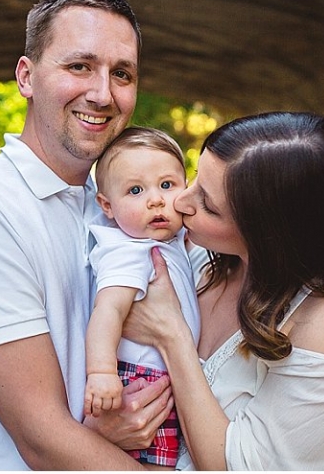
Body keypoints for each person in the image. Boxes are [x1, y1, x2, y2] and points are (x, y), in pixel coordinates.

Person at [0, 0, 172, 470]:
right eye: (79, 66)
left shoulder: (112, 207)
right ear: (26, 77)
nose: (102, 94)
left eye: (121, 74)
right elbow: (43, 439)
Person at [106, 111, 324, 470]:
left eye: (209, 206)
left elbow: (245, 467)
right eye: (195, 179)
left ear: (269, 233)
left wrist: (173, 340)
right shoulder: (199, 256)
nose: (181, 202)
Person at [84, 126, 200, 469]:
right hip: (140, 381)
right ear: (107, 206)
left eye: (167, 185)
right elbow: (107, 310)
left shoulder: (167, 240)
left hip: (165, 374)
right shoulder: (129, 252)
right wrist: (101, 371)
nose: (156, 200)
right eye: (136, 190)